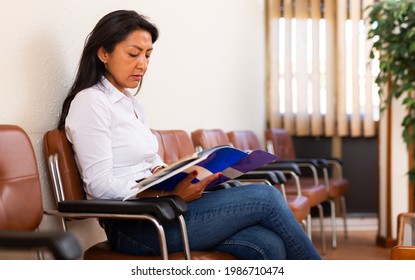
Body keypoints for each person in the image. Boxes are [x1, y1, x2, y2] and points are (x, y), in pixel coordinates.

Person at [58, 10, 321, 260]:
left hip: (165, 210)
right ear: (103, 53)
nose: (143, 65)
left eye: (148, 55)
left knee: (266, 244)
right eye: (133, 54)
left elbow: (147, 162)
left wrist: (171, 173)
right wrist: (162, 194)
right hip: (137, 225)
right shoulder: (91, 102)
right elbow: (98, 187)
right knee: (267, 197)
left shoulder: (131, 104)